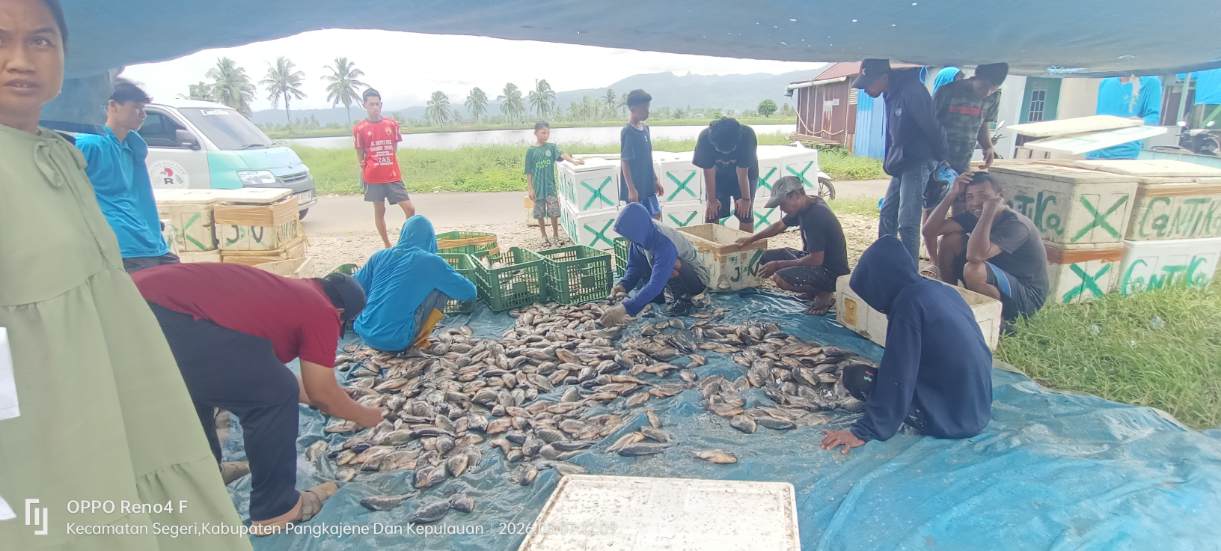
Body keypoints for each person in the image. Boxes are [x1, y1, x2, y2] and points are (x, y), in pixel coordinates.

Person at [0, 0, 250, 548]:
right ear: (110, 105)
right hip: (43, 420)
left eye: (41, 41)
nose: (20, 59)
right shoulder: (86, 147)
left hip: (121, 381)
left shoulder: (59, 154)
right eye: (1, 39)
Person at [134, 263, 382, 534]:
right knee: (275, 397)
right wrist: (366, 415)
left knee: (200, 386)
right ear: (341, 313)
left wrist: (330, 396)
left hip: (130, 300)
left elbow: (267, 378)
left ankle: (205, 473)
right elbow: (320, 394)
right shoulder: (321, 310)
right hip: (162, 313)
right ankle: (277, 510)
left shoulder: (293, 290)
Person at [821, 236, 993, 455]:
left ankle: (912, 416)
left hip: (951, 418)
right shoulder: (941, 290)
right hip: (976, 406)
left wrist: (864, 431)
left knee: (856, 377)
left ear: (880, 283)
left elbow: (898, 375)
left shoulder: (908, 305)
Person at [75, 78, 178, 272]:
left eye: (144, 108)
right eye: (136, 108)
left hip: (150, 240)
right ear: (113, 106)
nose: (143, 114)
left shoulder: (133, 146)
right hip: (123, 245)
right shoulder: (91, 145)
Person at [922, 172, 1049, 324]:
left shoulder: (1016, 224)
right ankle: (951, 300)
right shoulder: (974, 215)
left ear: (999, 196)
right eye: (970, 197)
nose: (975, 202)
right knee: (950, 240)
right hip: (999, 276)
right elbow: (929, 231)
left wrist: (988, 211)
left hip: (1027, 296)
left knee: (974, 269)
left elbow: (975, 256)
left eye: (983, 195)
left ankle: (998, 322)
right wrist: (951, 195)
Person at [853, 59, 946, 266]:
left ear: (884, 77)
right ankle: (884, 262)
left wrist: (940, 159)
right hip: (902, 162)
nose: (865, 90)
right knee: (887, 212)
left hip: (918, 161)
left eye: (868, 84)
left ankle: (909, 272)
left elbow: (933, 126)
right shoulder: (890, 93)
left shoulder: (912, 91)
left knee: (907, 222)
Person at [354, 215, 477, 353]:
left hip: (363, 331)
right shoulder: (431, 262)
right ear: (430, 238)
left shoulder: (379, 256)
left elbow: (353, 286)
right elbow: (469, 292)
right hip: (398, 340)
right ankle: (417, 337)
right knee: (442, 288)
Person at [928, 62, 1008, 261]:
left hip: (963, 160)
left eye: (992, 90)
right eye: (983, 87)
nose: (986, 93)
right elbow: (931, 125)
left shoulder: (993, 97)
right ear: (975, 77)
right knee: (934, 206)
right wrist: (936, 158)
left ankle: (955, 255)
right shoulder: (948, 92)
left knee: (963, 208)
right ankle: (933, 259)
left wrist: (988, 146)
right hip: (938, 161)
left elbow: (983, 125)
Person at [734, 176, 849, 314]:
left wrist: (777, 265)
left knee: (780, 278)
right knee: (764, 256)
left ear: (795, 195)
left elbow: (816, 260)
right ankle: (812, 292)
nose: (782, 209)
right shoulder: (806, 204)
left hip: (831, 271)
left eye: (782, 204)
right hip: (815, 260)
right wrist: (751, 239)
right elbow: (779, 226)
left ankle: (824, 293)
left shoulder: (815, 216)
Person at [601, 203, 710, 325]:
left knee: (671, 265)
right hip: (665, 272)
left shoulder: (664, 243)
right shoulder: (641, 236)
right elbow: (634, 266)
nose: (627, 239)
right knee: (655, 270)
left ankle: (684, 298)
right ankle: (658, 295)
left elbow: (656, 283)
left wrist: (625, 308)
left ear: (637, 229)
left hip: (697, 278)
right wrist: (624, 285)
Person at [354, 87, 414, 248]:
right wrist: (364, 168)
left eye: (377, 104)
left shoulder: (391, 125)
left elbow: (394, 149)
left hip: (392, 175)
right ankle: (387, 244)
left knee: (410, 209)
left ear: (381, 104)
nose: (375, 107)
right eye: (371, 104)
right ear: (364, 105)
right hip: (373, 177)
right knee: (380, 211)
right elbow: (359, 152)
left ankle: (404, 242)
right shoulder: (359, 129)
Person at [694, 116, 760, 232]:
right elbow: (709, 171)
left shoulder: (747, 136)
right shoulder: (705, 138)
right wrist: (712, 200)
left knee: (746, 213)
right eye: (720, 150)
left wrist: (745, 199)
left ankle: (746, 247)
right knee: (712, 212)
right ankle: (712, 247)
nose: (725, 155)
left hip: (746, 175)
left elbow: (742, 172)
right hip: (718, 177)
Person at [526, 121, 583, 245]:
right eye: (543, 132)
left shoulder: (551, 147)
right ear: (535, 133)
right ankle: (544, 236)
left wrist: (573, 160)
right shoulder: (530, 151)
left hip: (550, 187)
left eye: (548, 133)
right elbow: (528, 172)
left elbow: (562, 155)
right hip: (538, 188)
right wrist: (530, 189)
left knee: (554, 212)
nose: (546, 135)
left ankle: (556, 235)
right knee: (539, 213)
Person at [1088, 74, 1163, 159]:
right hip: (1095, 148)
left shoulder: (1150, 82)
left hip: (1123, 152)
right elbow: (1100, 117)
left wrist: (1138, 122)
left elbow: (1153, 119)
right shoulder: (1106, 82)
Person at [619, 88, 663, 219]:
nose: (647, 111)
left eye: (648, 107)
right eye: (644, 108)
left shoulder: (646, 129)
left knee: (656, 215)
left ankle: (652, 240)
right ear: (633, 109)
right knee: (640, 221)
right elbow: (625, 162)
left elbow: (648, 158)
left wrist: (655, 179)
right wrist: (631, 189)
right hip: (636, 187)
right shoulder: (628, 132)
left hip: (648, 184)